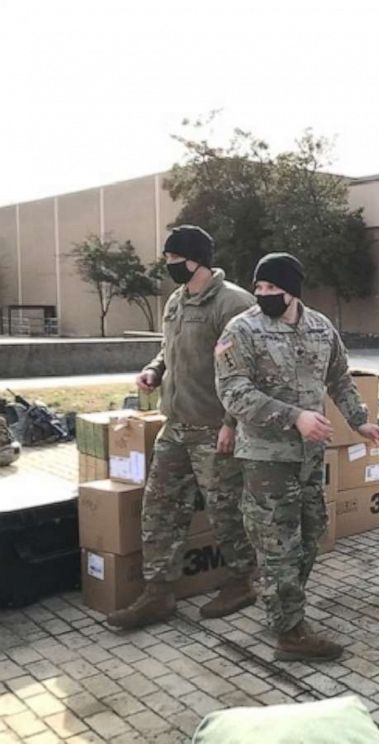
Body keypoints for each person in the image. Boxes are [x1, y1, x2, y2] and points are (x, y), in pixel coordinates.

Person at [215, 252, 379, 661]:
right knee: (277, 543)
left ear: (292, 290)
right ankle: (290, 634)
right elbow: (232, 392)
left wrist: (360, 420)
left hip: (310, 456)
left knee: (311, 533)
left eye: (272, 288)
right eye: (258, 288)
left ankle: (283, 608)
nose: (263, 295)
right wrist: (294, 417)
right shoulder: (241, 330)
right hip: (266, 457)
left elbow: (340, 378)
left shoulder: (320, 328)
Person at [107, 225, 257, 630]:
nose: (169, 266)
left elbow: (249, 370)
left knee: (226, 510)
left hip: (215, 428)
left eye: (174, 260)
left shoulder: (234, 304)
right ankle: (158, 594)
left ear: (195, 261)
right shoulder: (176, 299)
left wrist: (231, 423)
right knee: (159, 508)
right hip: (176, 426)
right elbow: (167, 348)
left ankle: (241, 580)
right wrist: (155, 369)